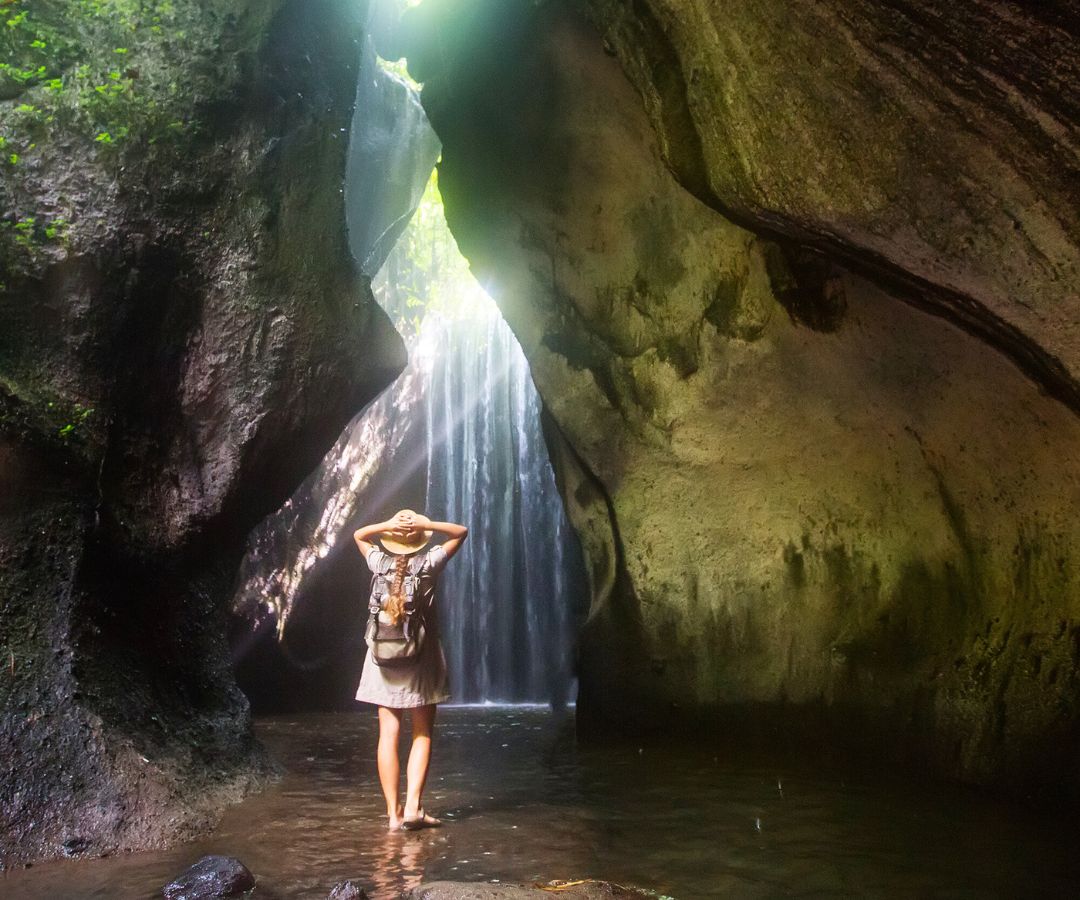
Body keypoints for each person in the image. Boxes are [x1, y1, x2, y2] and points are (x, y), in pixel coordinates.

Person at [353, 509, 468, 831]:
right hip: (421, 659)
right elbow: (461, 531)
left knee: (387, 736)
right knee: (422, 733)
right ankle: (414, 808)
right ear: (419, 541)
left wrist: (386, 525)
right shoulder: (429, 564)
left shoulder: (378, 563)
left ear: (390, 541)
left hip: (381, 660)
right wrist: (427, 525)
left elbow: (359, 535)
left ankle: (393, 815)